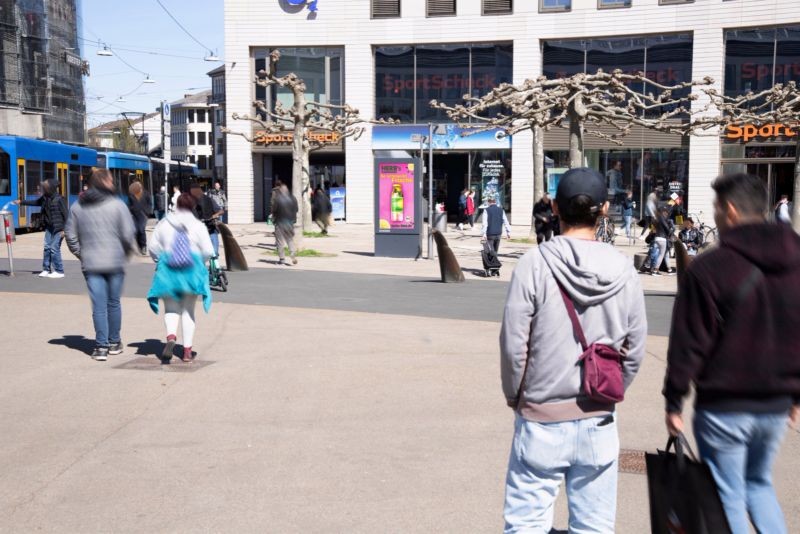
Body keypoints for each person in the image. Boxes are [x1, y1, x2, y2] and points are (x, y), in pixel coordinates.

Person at [501, 167, 647, 532]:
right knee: (594, 526)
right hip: (598, 416)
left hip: (541, 412)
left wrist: (514, 394)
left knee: (526, 524)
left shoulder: (534, 264)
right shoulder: (624, 269)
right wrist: (610, 389)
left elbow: (514, 342)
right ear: (605, 209)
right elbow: (635, 347)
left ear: (554, 207)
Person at [664, 172, 800, 534]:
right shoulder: (796, 260)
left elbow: (688, 342)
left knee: (727, 495)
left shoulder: (710, 268)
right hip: (775, 404)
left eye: (717, 210)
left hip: (724, 404)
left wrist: (674, 400)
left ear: (731, 211)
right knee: (759, 484)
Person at [64, 169, 136, 361]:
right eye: (111, 181)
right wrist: (125, 253)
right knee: (114, 302)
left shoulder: (77, 206)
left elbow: (70, 235)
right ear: (104, 183)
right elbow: (129, 234)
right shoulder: (117, 205)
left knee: (99, 306)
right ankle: (114, 342)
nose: (113, 184)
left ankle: (101, 347)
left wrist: (81, 254)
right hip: (114, 262)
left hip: (91, 263)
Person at [147, 193, 214, 363]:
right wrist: (200, 261)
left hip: (168, 272)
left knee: (171, 309)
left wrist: (160, 260)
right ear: (193, 207)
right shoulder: (198, 226)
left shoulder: (163, 223)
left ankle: (171, 336)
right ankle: (186, 352)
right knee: (187, 311)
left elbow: (153, 247)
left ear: (175, 205)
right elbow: (208, 250)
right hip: (190, 272)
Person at [12, 178, 68, 278]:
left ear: (51, 188)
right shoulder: (45, 198)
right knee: (47, 247)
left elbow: (66, 215)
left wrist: (65, 229)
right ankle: (46, 269)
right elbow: (35, 202)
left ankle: (59, 271)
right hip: (49, 227)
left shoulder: (60, 199)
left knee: (54, 248)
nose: (43, 189)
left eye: (45, 187)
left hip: (59, 228)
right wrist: (21, 202)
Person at [189, 183, 223, 257]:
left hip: (211, 228)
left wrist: (214, 216)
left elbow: (221, 211)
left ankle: (215, 256)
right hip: (199, 231)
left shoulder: (210, 200)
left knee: (215, 251)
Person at [271, 184, 298, 266]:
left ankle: (282, 259)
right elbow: (296, 209)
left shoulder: (277, 199)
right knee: (290, 240)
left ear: (281, 191)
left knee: (279, 242)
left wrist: (273, 219)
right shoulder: (293, 198)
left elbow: (274, 210)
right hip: (290, 223)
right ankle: (292, 254)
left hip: (280, 223)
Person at [649, 206, 675, 276]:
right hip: (662, 238)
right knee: (661, 255)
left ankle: (669, 269)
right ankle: (655, 270)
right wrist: (671, 234)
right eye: (665, 212)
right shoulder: (662, 218)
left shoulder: (656, 219)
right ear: (663, 212)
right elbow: (666, 228)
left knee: (665, 254)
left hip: (657, 238)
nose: (667, 213)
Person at [128, 181, 149, 256]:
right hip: (134, 215)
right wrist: (131, 209)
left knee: (141, 230)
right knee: (136, 231)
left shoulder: (146, 194)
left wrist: (147, 212)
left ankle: (144, 246)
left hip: (143, 215)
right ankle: (140, 246)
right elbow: (129, 204)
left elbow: (149, 203)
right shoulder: (131, 195)